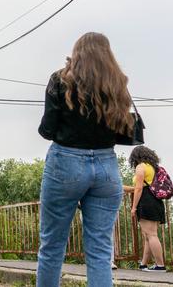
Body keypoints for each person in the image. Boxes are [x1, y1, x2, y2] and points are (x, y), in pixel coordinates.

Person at [36, 32, 137, 287]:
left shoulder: (59, 80)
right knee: (101, 251)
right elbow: (120, 127)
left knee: (52, 245)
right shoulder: (116, 84)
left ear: (77, 52)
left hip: (65, 163)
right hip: (106, 166)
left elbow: (47, 129)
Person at [123, 146, 167, 272]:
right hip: (155, 201)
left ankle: (160, 265)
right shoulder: (152, 167)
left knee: (151, 235)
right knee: (149, 235)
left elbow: (138, 189)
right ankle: (143, 264)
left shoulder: (140, 167)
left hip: (146, 201)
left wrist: (134, 207)